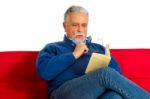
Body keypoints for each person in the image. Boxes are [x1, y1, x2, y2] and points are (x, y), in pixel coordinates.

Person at [36, 5, 150, 99]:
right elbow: (44, 72)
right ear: (65, 26)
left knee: (114, 96)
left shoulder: (99, 48)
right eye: (75, 25)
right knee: (105, 73)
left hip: (97, 93)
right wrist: (74, 55)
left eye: (84, 25)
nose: (80, 30)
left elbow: (118, 79)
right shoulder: (53, 48)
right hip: (64, 93)